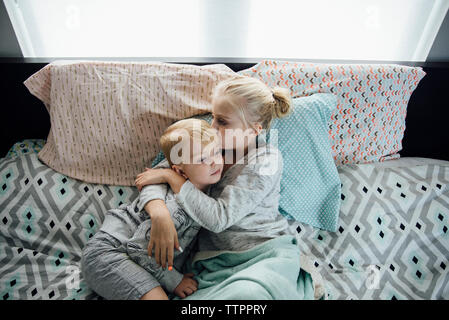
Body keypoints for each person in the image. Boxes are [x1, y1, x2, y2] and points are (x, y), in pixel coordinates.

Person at [137, 75, 295, 300]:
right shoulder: (209, 143)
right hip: (212, 259)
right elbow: (154, 177)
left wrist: (174, 180)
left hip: (261, 253)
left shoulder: (266, 160)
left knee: (249, 297)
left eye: (222, 121)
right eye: (213, 118)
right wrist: (158, 212)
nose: (212, 127)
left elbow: (219, 219)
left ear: (253, 130)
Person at [81, 119, 223, 300]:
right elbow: (138, 249)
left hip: (130, 256)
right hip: (110, 253)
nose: (215, 162)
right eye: (203, 158)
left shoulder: (205, 186)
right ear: (180, 172)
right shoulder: (175, 209)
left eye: (217, 152)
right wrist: (175, 280)